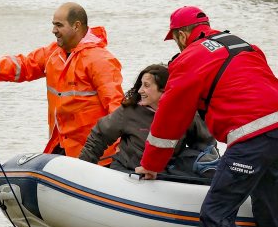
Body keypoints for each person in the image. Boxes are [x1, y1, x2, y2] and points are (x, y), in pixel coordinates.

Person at [135, 6, 278, 227]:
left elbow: (170, 116)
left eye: (176, 39)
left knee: (216, 211)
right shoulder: (243, 44)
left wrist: (151, 163)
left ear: (182, 34)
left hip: (254, 137)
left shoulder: (190, 57)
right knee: (269, 209)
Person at [0, 2, 123, 159]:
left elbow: (115, 105)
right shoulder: (53, 53)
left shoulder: (99, 59)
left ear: (76, 26)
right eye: (53, 25)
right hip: (61, 144)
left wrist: (121, 145)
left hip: (94, 152)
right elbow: (26, 65)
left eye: (59, 25)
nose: (54, 30)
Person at [79, 63, 215, 174]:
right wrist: (81, 170)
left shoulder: (186, 113)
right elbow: (98, 137)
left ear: (163, 89)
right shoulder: (128, 111)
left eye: (147, 86)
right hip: (126, 172)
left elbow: (205, 144)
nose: (140, 90)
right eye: (141, 85)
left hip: (163, 174)